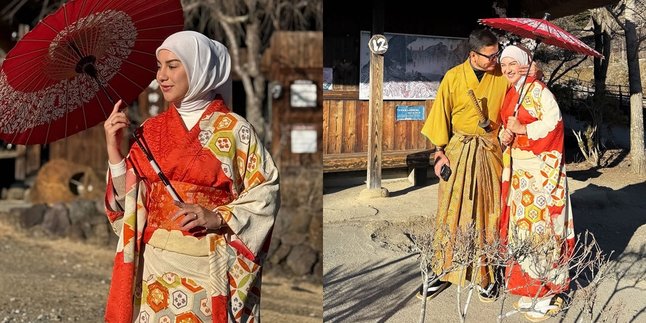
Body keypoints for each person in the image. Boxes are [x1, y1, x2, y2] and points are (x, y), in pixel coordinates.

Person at [102, 30, 280, 323]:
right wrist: (114, 150)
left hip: (209, 264)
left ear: (199, 69)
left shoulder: (235, 130)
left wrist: (219, 217)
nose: (161, 76)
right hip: (155, 267)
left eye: (172, 65)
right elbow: (127, 206)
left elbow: (267, 191)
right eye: (159, 66)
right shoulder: (149, 131)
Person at [418, 29, 537, 302]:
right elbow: (441, 117)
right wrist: (439, 154)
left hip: (491, 149)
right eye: (490, 56)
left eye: (498, 54)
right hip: (459, 150)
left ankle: (487, 275)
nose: (496, 60)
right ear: (473, 55)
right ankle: (442, 269)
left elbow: (518, 103)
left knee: (489, 210)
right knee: (451, 210)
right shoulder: (453, 77)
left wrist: (532, 74)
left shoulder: (502, 77)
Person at [498, 44, 574, 322]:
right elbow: (503, 127)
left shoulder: (539, 91)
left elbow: (555, 126)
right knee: (522, 231)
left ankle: (546, 291)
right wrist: (504, 137)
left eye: (512, 64)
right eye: (503, 65)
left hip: (540, 174)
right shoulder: (512, 93)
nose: (507, 69)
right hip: (519, 173)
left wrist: (524, 129)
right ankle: (529, 289)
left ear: (524, 64)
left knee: (540, 230)